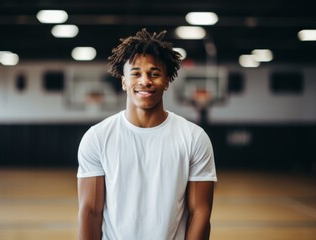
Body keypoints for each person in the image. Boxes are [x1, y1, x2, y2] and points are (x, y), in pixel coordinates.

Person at [77, 28, 217, 240]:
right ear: (124, 81)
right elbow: (90, 212)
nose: (145, 81)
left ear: (167, 81)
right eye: (135, 73)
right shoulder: (97, 137)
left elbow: (200, 213)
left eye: (154, 73)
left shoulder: (194, 138)